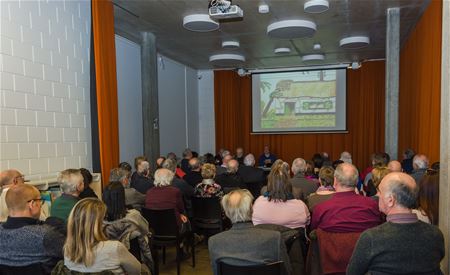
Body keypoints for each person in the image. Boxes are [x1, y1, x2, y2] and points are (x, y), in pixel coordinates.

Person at [347, 172, 444, 275]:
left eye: (379, 191)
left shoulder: (371, 238)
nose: (377, 195)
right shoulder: (435, 234)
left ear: (390, 200)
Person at [208, 189, 291, 275]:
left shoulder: (214, 242)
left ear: (226, 212)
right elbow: (287, 272)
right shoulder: (274, 238)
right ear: (251, 209)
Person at [64, 198, 141, 274]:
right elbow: (137, 271)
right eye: (104, 218)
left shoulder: (67, 251)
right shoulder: (115, 248)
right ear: (97, 223)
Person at [0, 184, 64, 273]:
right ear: (32, 204)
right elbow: (74, 255)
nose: (41, 205)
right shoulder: (45, 235)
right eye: (40, 201)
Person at [311, 163, 381, 233]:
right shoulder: (372, 205)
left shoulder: (321, 209)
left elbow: (314, 231)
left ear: (335, 181)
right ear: (357, 181)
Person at [102, 182, 154, 272]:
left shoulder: (99, 223)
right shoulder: (134, 215)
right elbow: (145, 230)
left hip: (109, 263)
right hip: (134, 260)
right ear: (122, 197)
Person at [252, 160, 310, 229]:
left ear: (269, 181)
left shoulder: (258, 204)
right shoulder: (300, 206)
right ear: (288, 182)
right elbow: (308, 223)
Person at [146, 168, 190, 233]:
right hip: (173, 229)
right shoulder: (175, 191)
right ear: (170, 178)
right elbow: (181, 209)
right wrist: (180, 214)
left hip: (154, 229)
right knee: (186, 218)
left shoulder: (149, 192)